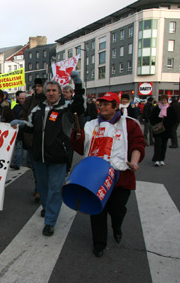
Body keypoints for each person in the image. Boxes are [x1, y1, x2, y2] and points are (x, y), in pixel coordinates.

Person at [70, 92, 145, 257]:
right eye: (100, 104)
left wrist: (134, 161)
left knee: (117, 209)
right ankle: (99, 243)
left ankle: (117, 226)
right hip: (96, 176)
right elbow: (81, 148)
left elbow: (137, 144)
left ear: (115, 106)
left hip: (121, 176)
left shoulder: (130, 125)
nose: (102, 107)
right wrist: (77, 138)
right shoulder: (91, 125)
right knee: (98, 209)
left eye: (106, 104)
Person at [23, 80, 84, 236]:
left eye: (54, 90)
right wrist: (18, 125)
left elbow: (79, 106)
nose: (51, 93)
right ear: (45, 92)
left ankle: (50, 221)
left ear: (59, 92)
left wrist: (78, 85)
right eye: (48, 90)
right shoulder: (37, 109)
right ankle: (47, 207)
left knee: (55, 190)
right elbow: (30, 126)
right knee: (43, 189)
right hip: (39, 157)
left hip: (58, 157)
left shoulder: (67, 108)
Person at [150, 95, 177, 166]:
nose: (163, 101)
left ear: (167, 101)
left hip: (166, 130)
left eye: (164, 100)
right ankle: (156, 159)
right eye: (162, 100)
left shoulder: (170, 109)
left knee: (164, 145)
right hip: (158, 130)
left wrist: (169, 125)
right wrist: (155, 124)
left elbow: (174, 119)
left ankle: (162, 159)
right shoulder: (156, 109)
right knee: (157, 145)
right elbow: (152, 118)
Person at [10, 91, 27, 170]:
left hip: (28, 131)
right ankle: (17, 163)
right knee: (19, 148)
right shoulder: (16, 107)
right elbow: (12, 116)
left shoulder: (30, 107)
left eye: (23, 98)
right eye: (20, 99)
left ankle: (30, 163)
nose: (21, 100)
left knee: (29, 149)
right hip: (19, 130)